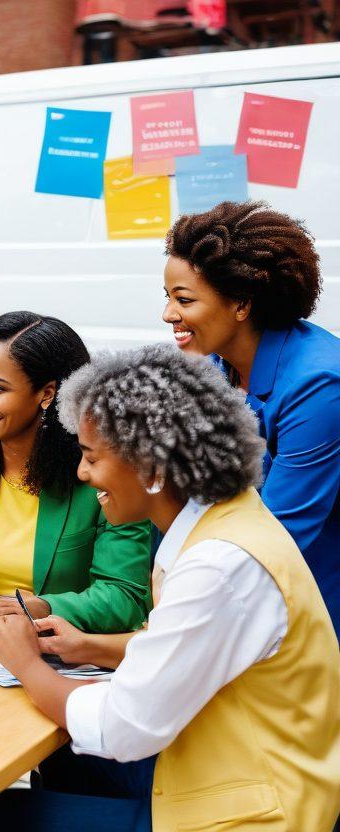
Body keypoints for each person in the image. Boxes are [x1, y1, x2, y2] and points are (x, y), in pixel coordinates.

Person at [0, 344, 340, 832]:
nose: (82, 474)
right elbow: (186, 648)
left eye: (91, 458)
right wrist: (87, 647)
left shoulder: (218, 567)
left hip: (251, 814)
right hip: (228, 768)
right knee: (67, 764)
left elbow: (121, 729)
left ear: (152, 467)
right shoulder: (225, 518)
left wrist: (27, 665)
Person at [162, 200, 340, 632]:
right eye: (167, 297)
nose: (168, 314)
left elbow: (277, 536)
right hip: (235, 596)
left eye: (183, 299)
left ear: (241, 304)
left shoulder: (319, 387)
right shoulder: (217, 367)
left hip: (305, 615)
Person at [0, 312, 150, 634]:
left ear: (46, 394)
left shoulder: (106, 469)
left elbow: (125, 598)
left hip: (65, 653)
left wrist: (27, 609)